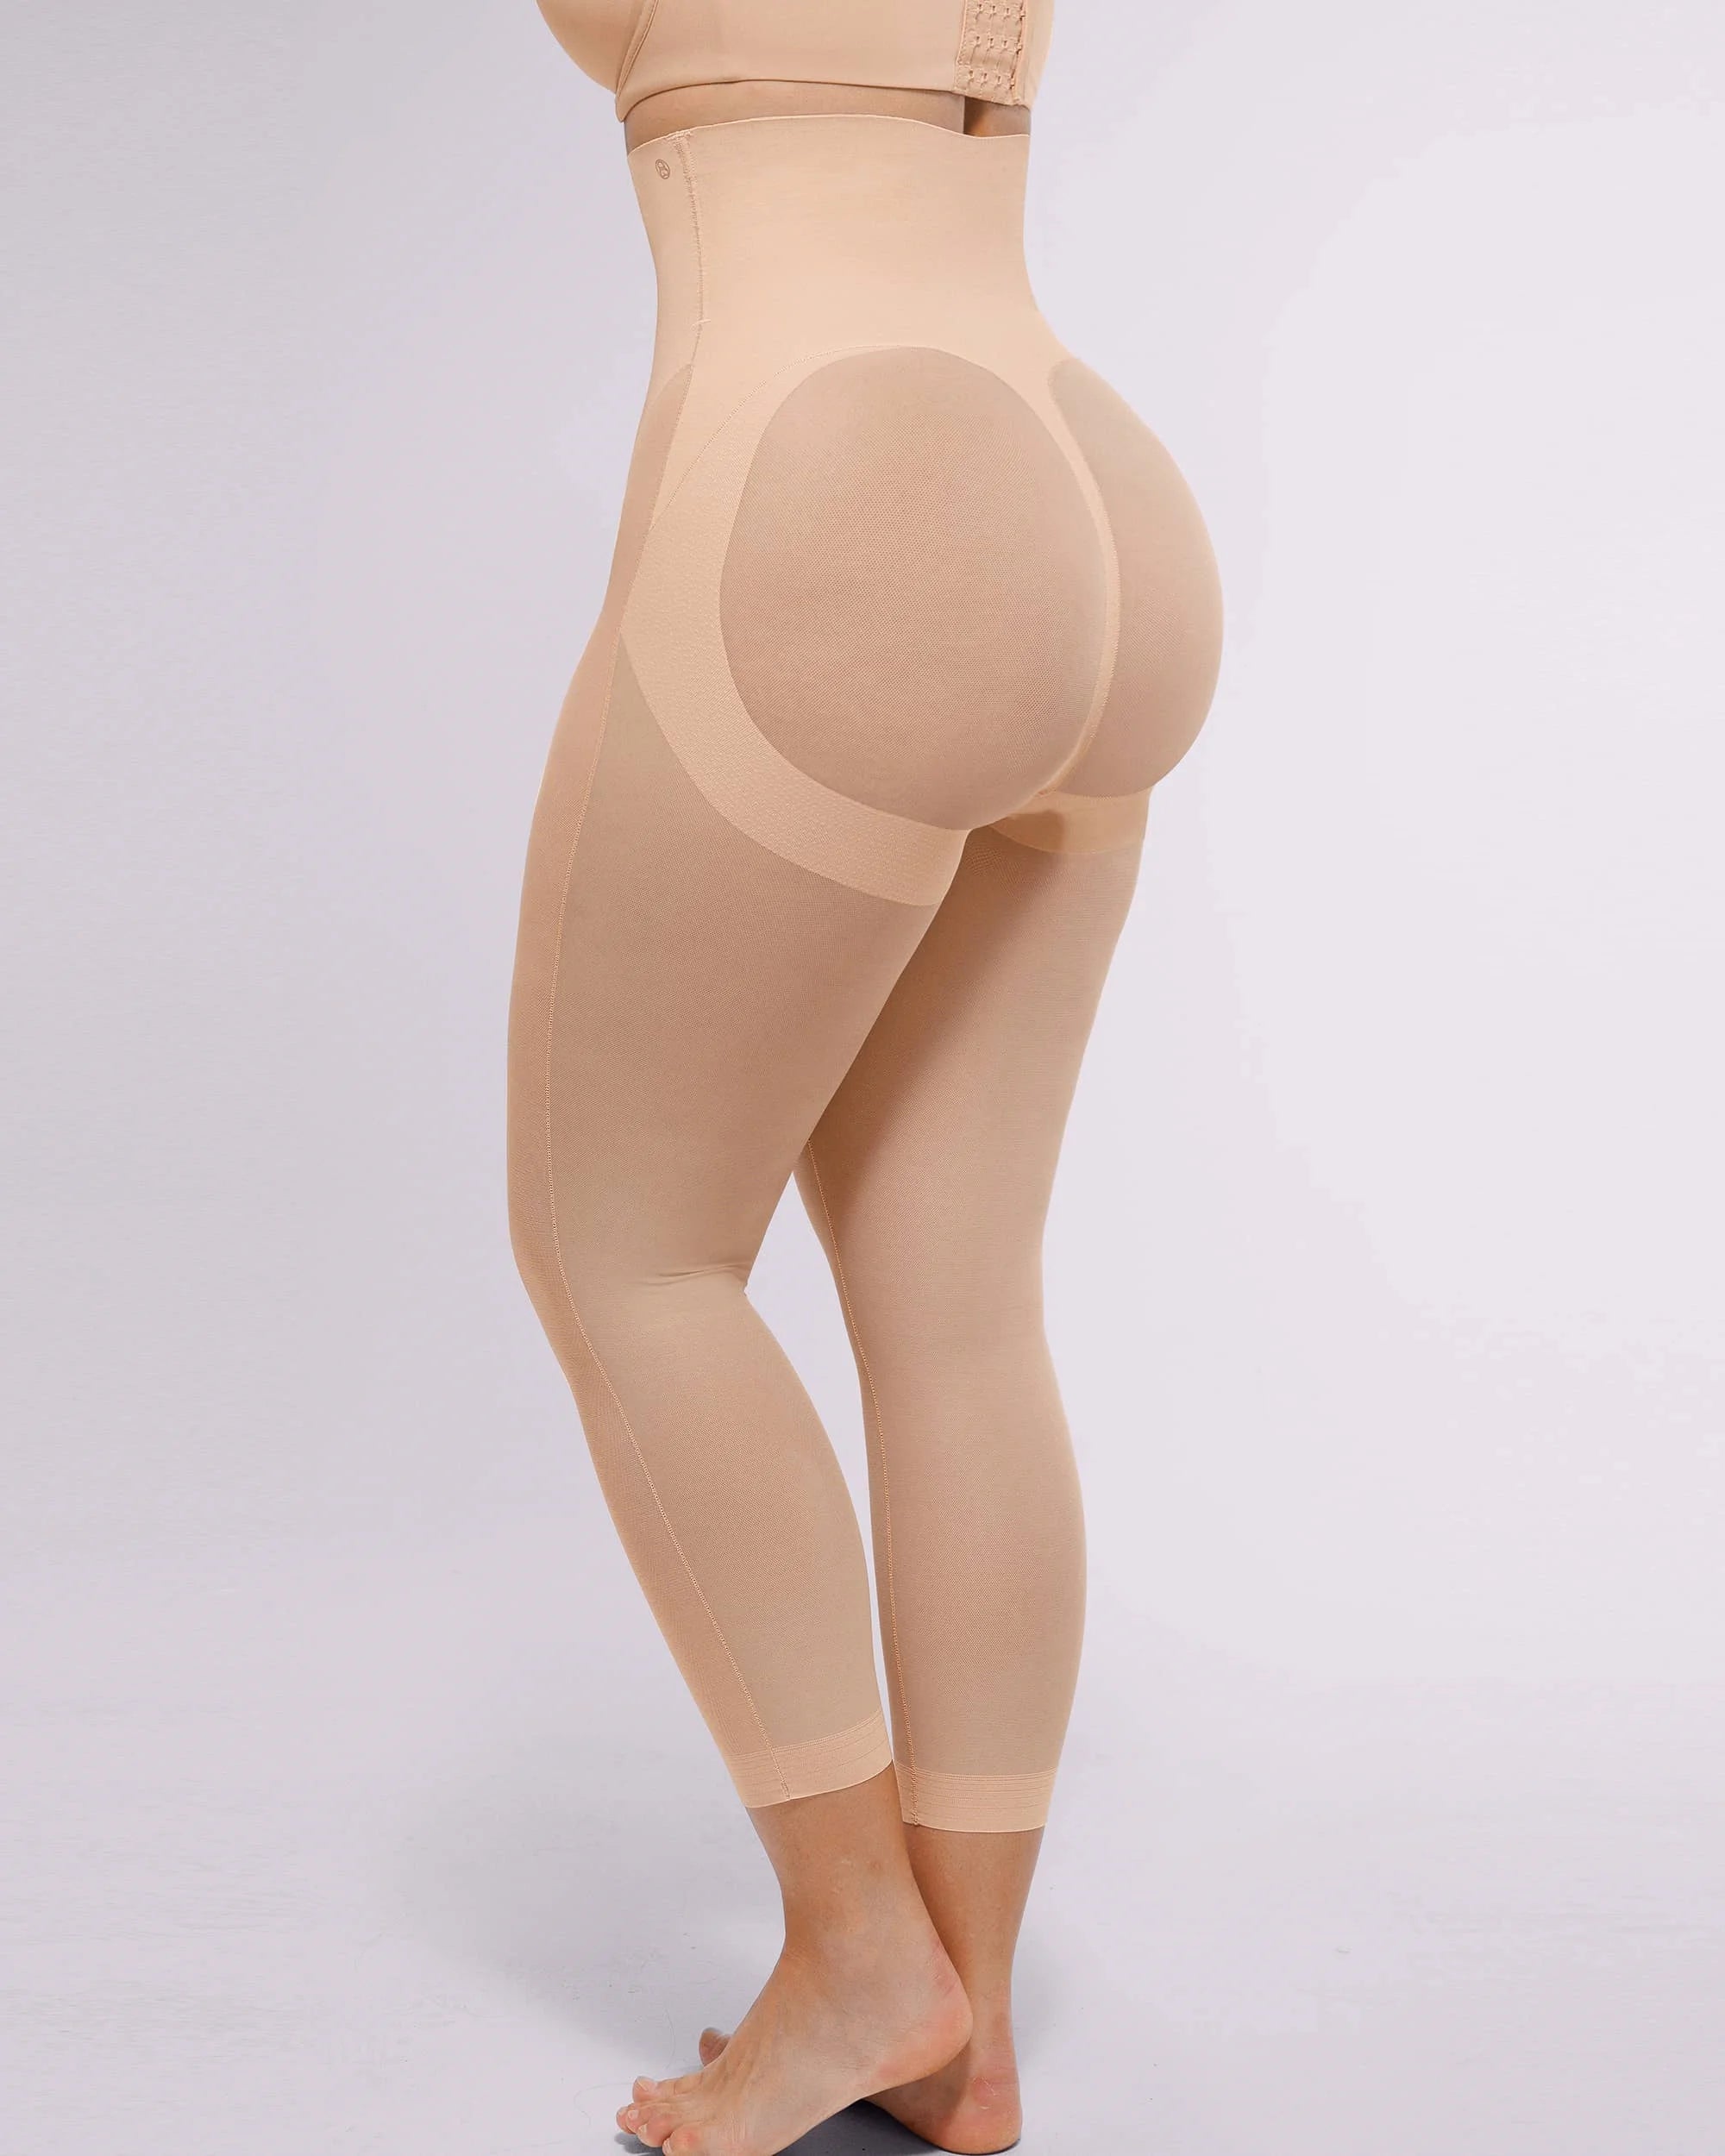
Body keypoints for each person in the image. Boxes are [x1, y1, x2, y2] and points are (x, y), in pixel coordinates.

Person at [506, 4, 1223, 2149]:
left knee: (626, 1251)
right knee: (957, 1301)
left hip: (840, 483)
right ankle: (959, 2026)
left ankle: (854, 1946)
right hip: (1079, 469)